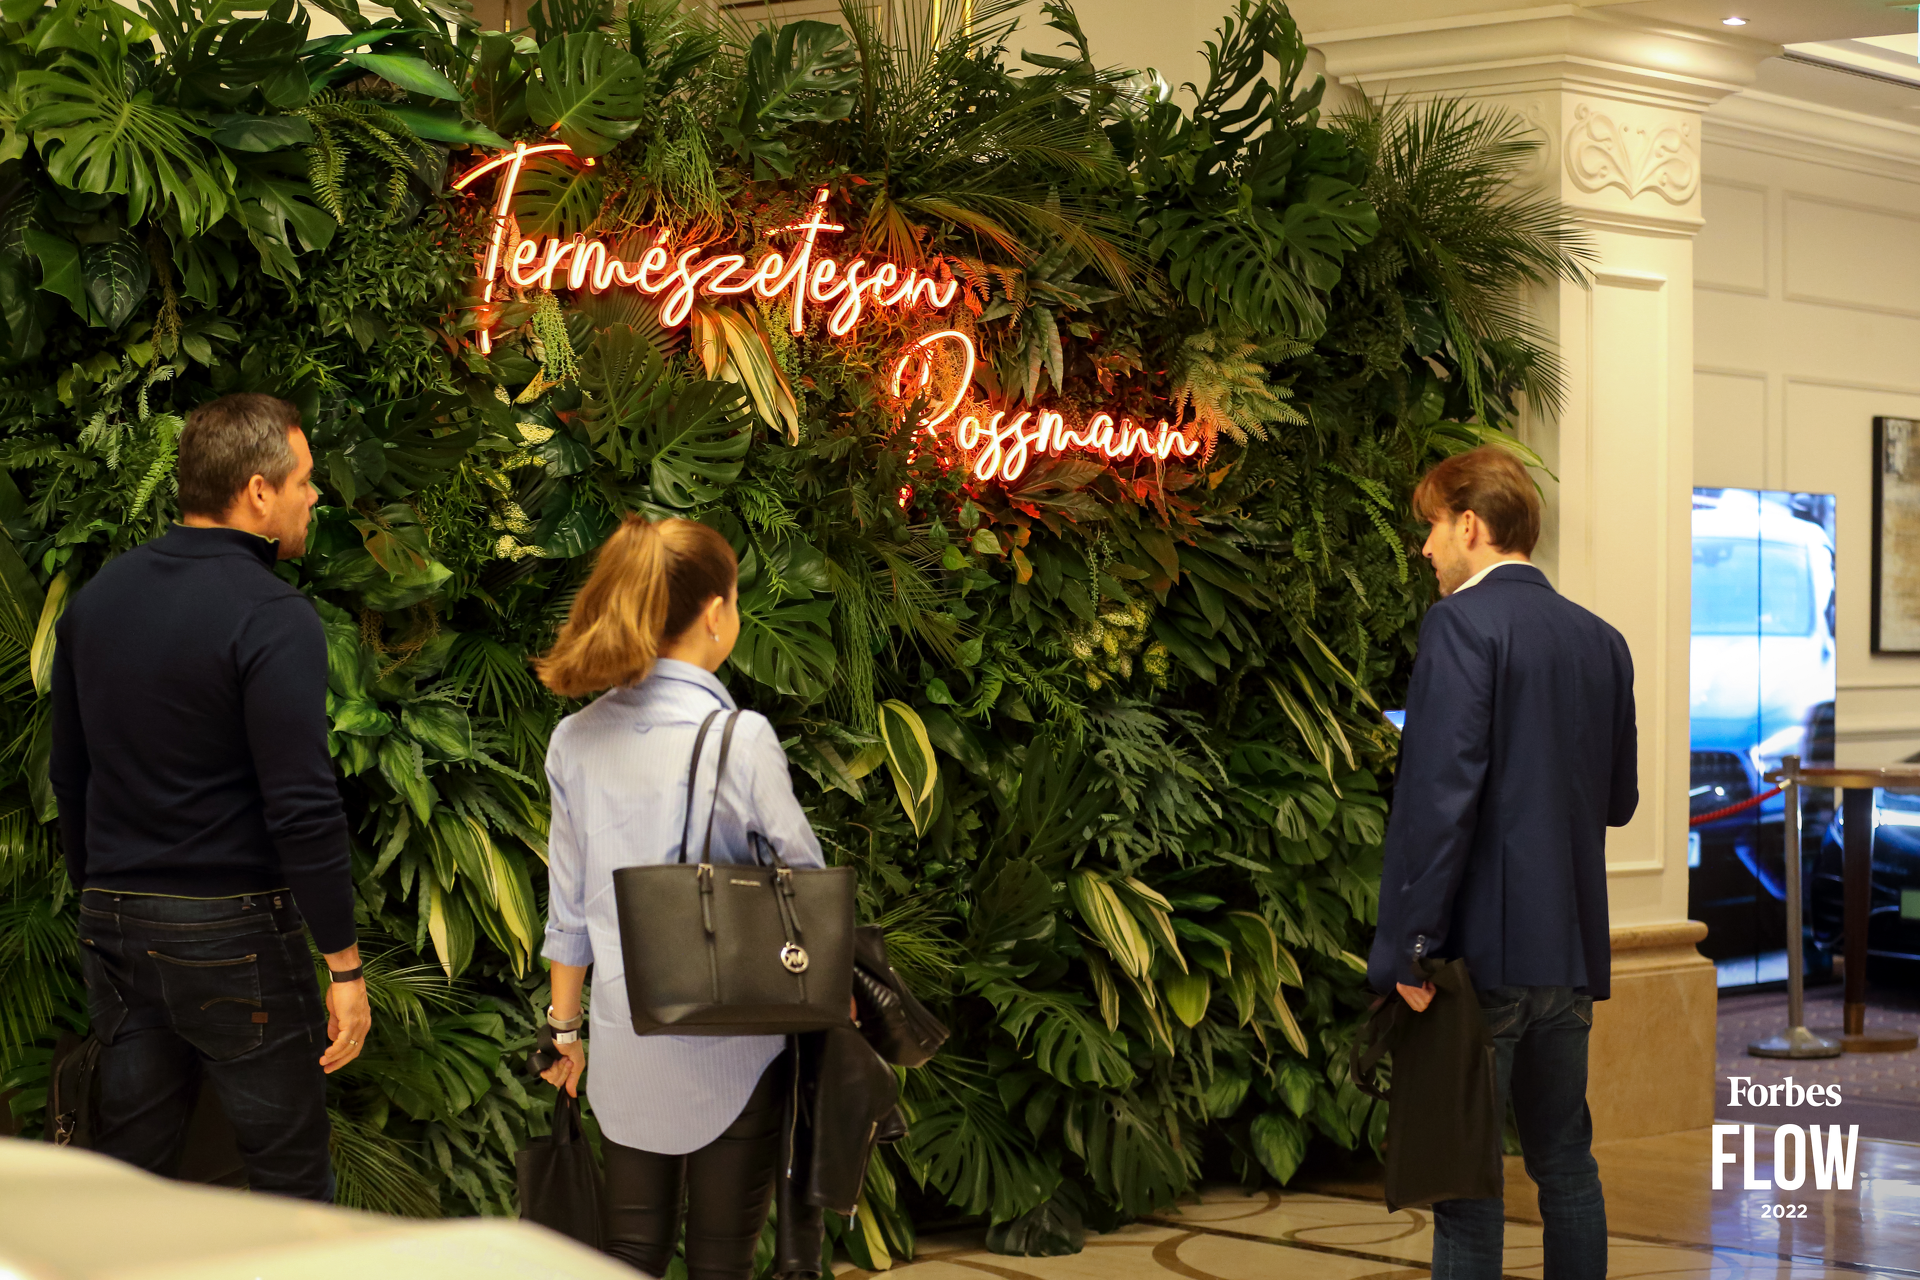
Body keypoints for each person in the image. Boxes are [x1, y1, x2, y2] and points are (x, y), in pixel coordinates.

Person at [49, 392, 370, 1201]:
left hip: (115, 918)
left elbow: (69, 775)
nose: (313, 496)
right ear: (258, 491)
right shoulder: (273, 615)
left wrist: (103, 890)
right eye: (303, 480)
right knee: (289, 1181)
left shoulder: (97, 602)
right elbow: (301, 804)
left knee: (130, 1181)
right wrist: (343, 962)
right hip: (233, 928)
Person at [1369, 444, 1637, 1280]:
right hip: (1569, 952)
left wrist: (1410, 946)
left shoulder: (1460, 625)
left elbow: (1438, 801)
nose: (1425, 548)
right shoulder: (1603, 640)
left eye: (1432, 527)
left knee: (1466, 1187)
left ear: (1470, 525)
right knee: (1567, 1163)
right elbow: (1620, 801)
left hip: (1477, 959)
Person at [535, 515, 825, 1280]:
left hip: (625, 1041)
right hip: (734, 1043)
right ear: (716, 612)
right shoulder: (740, 738)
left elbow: (569, 909)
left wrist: (564, 1033)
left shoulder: (575, 739)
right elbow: (807, 884)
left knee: (631, 1254)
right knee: (722, 1262)